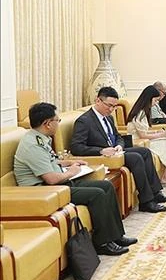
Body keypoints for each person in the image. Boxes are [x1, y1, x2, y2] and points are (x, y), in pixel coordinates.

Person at [14, 102, 137, 256]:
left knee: (106, 186)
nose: (58, 124)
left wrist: (68, 162)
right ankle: (102, 243)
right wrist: (71, 172)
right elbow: (51, 179)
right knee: (97, 194)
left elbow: (48, 161)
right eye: (57, 121)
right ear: (47, 124)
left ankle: (116, 236)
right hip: (45, 190)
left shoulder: (39, 137)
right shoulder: (32, 145)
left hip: (57, 184)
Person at [71, 87, 166, 213]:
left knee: (145, 152)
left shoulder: (108, 118)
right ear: (98, 101)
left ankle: (156, 193)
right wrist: (101, 151)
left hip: (116, 152)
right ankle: (146, 201)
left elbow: (118, 137)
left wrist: (120, 145)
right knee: (136, 158)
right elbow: (76, 147)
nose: (111, 109)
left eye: (114, 106)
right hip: (103, 157)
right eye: (109, 105)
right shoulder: (84, 121)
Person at [127, 85, 166, 187]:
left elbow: (146, 130)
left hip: (145, 139)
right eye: (155, 100)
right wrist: (160, 134)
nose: (156, 103)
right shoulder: (139, 113)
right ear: (149, 99)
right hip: (140, 142)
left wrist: (158, 132)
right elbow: (143, 135)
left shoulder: (145, 111)